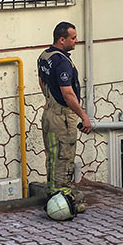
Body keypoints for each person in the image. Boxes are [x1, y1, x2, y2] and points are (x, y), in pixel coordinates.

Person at [38, 22, 92, 211]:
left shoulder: (45, 56)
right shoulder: (62, 62)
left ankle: (53, 193)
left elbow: (42, 81)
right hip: (62, 117)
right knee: (64, 156)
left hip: (49, 113)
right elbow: (68, 93)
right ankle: (63, 200)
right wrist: (83, 116)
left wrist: (48, 100)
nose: (76, 41)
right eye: (73, 38)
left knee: (53, 155)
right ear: (62, 40)